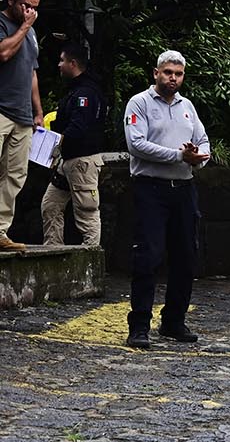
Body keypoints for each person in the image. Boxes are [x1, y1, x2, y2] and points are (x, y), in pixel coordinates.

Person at [123, 50, 211, 349]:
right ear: (156, 73)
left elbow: (202, 139)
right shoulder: (140, 103)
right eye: (168, 72)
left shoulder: (188, 106)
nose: (173, 78)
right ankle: (139, 325)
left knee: (186, 255)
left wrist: (198, 158)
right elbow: (136, 144)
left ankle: (173, 321)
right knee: (148, 256)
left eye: (178, 73)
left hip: (184, 188)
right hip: (151, 187)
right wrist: (178, 156)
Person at [41, 42, 107, 247]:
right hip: (68, 160)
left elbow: (79, 128)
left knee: (86, 214)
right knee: (50, 205)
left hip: (82, 161)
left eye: (62, 60)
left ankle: (92, 259)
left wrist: (53, 143)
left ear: (73, 63)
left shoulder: (86, 93)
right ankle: (53, 252)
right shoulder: (76, 90)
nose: (59, 65)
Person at [0, 0, 43, 252]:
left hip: (23, 116)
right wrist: (25, 27)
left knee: (15, 175)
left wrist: (37, 111)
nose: (30, 12)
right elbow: (3, 52)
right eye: (26, 6)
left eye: (35, 9)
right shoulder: (5, 24)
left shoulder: (32, 32)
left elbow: (31, 72)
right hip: (1, 109)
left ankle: (0, 231)